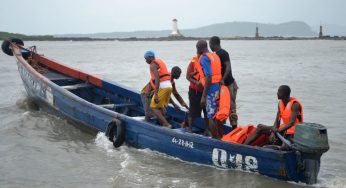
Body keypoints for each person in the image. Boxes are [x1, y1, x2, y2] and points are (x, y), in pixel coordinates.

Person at [195, 40, 223, 139]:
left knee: (211, 116)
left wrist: (203, 96)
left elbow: (209, 76)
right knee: (217, 115)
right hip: (218, 89)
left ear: (199, 48)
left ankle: (215, 140)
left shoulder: (204, 59)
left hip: (211, 90)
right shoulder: (214, 56)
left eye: (196, 48)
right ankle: (220, 136)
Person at [209, 36, 238, 129]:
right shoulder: (215, 55)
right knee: (222, 107)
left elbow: (228, 67)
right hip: (222, 86)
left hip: (229, 84)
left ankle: (234, 128)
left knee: (231, 107)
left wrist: (223, 79)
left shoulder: (223, 53)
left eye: (210, 44)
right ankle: (223, 127)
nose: (209, 46)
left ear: (214, 44)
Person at [144, 50, 173, 128]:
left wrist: (156, 93)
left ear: (150, 57)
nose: (145, 60)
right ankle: (163, 122)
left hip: (163, 87)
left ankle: (166, 124)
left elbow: (157, 79)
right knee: (159, 106)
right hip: (169, 86)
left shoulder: (153, 65)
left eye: (146, 58)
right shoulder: (159, 61)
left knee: (153, 107)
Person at [186, 55, 208, 134]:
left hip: (207, 91)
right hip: (194, 90)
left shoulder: (208, 61)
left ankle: (207, 130)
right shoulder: (193, 61)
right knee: (192, 111)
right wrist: (196, 83)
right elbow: (187, 76)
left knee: (207, 112)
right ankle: (190, 130)